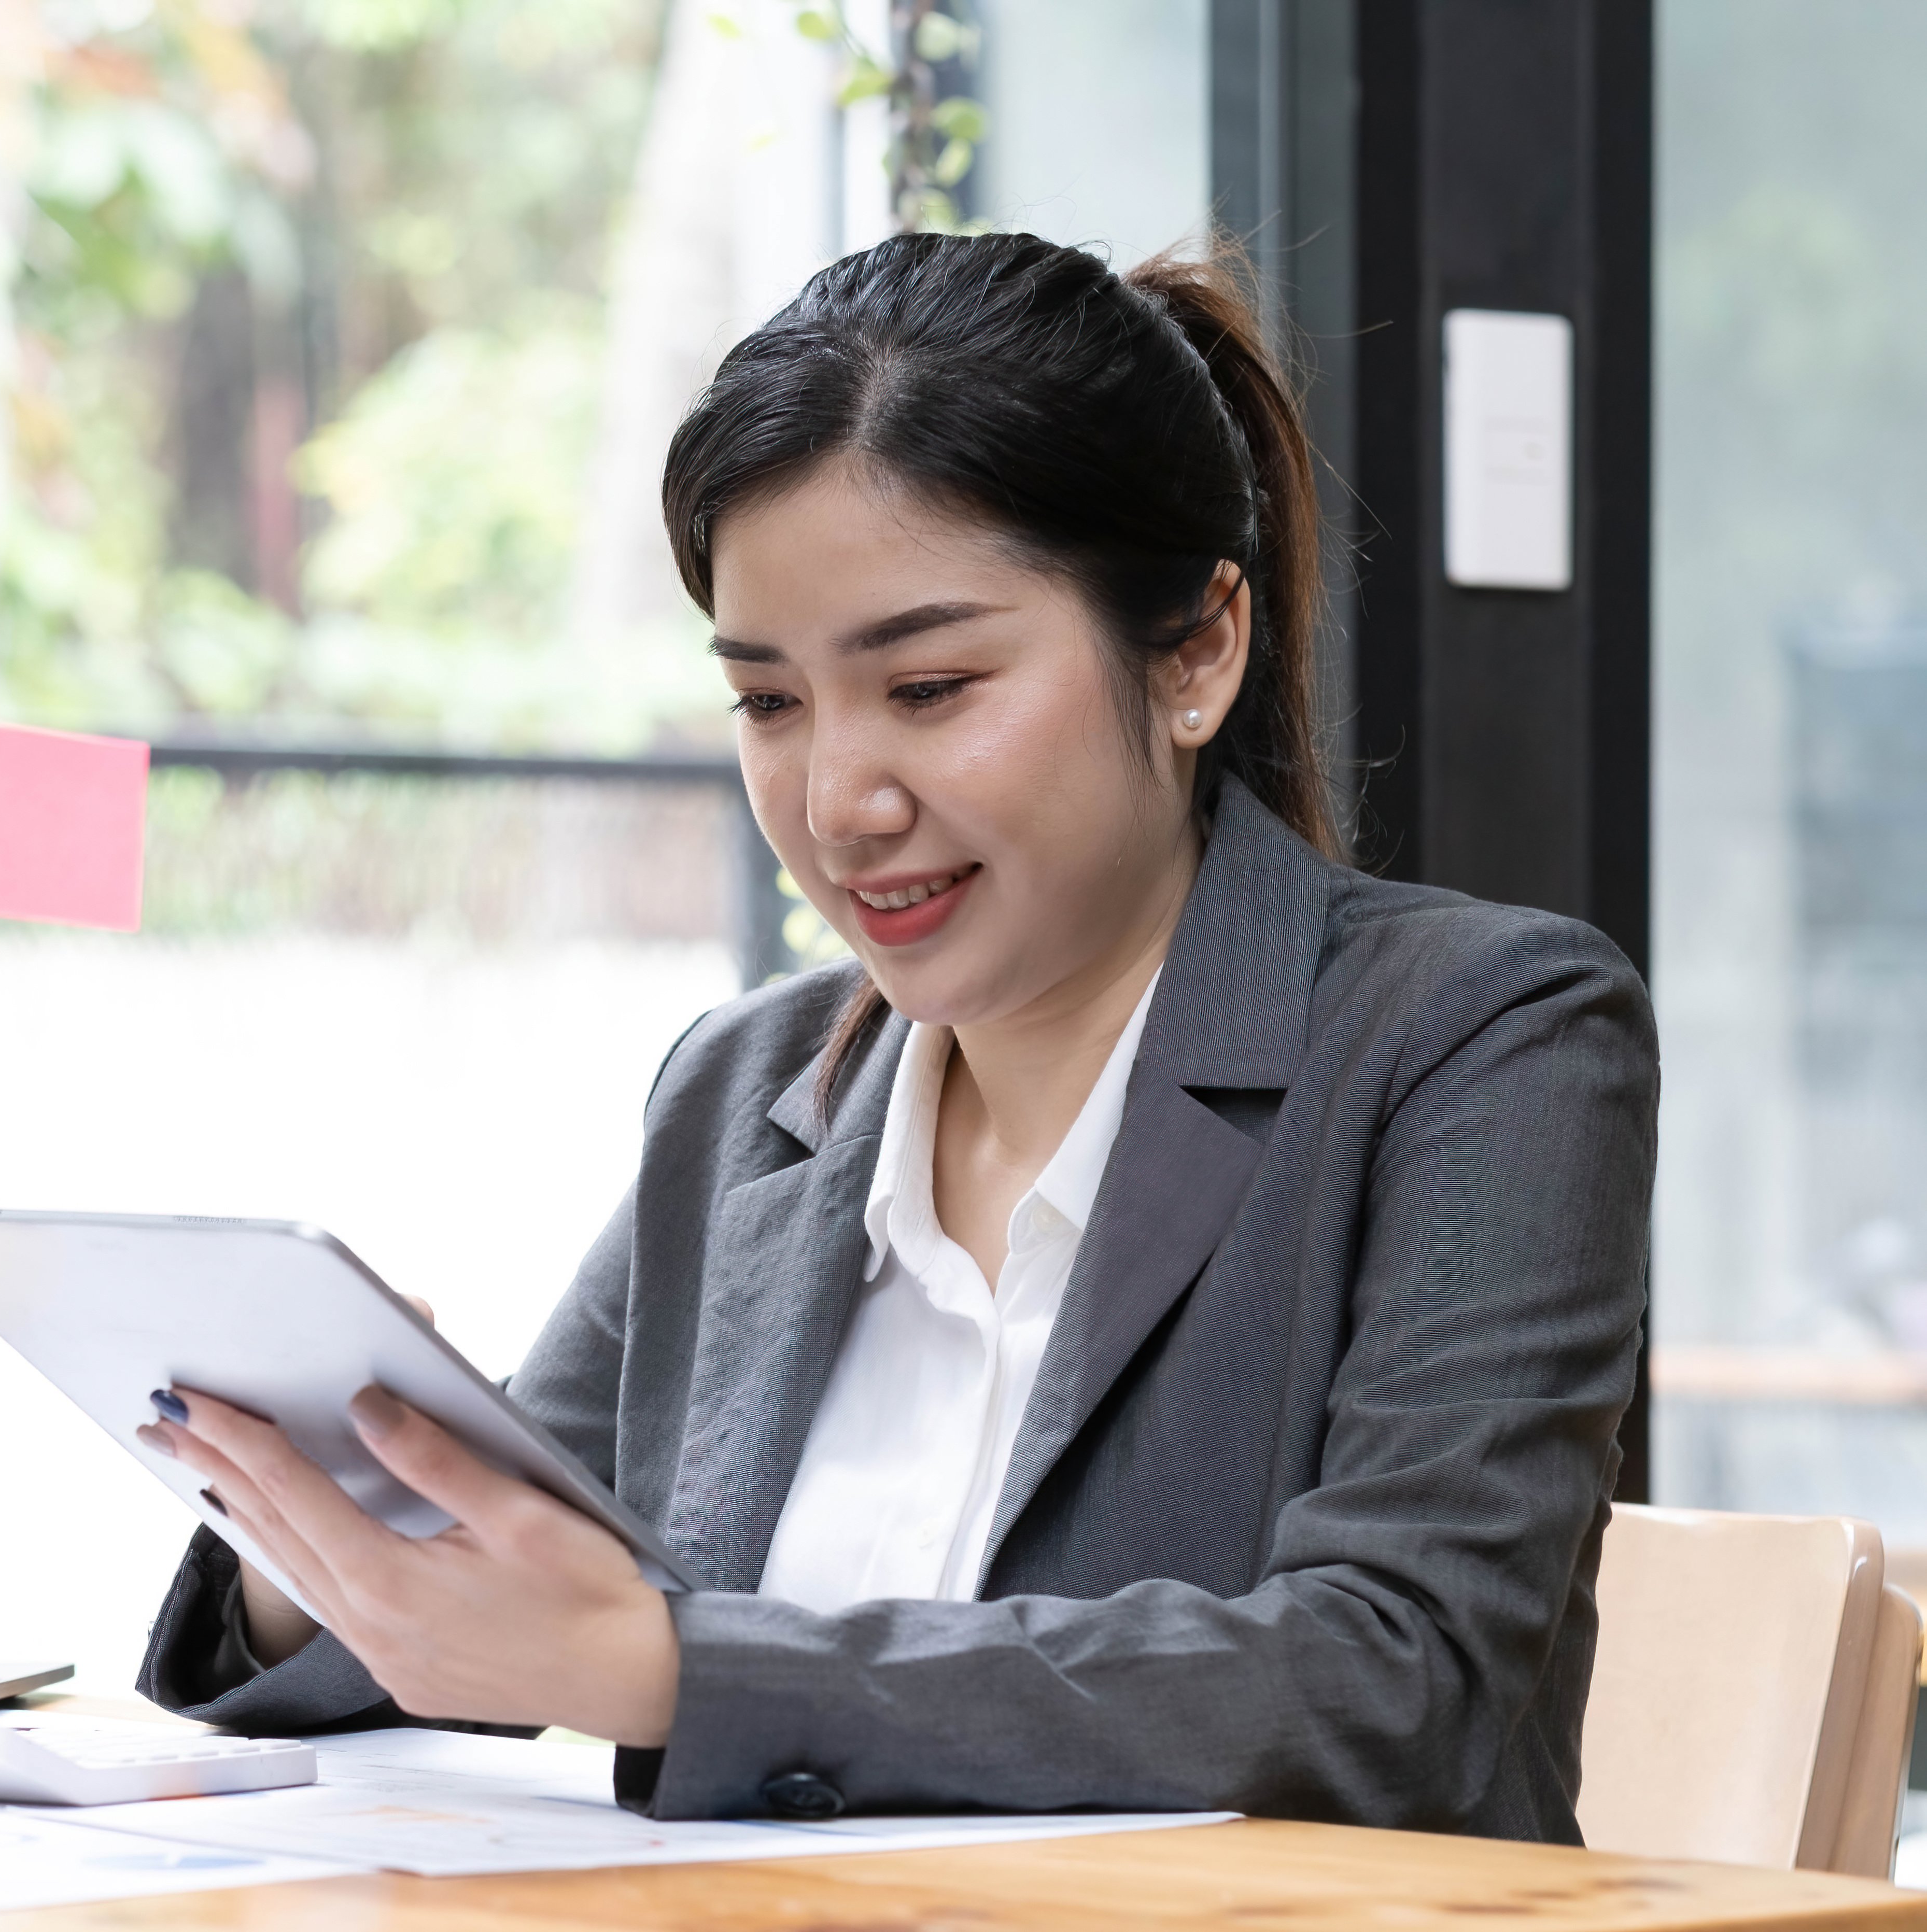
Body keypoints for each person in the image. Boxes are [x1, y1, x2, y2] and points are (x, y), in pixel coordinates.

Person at [131, 229, 1656, 1842]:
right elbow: (511, 1617)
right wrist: (339, 1526)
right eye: (769, 705)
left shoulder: (1482, 1039)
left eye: (927, 687)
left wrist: (671, 1673)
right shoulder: (748, 1096)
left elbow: (1389, 1685)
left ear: (1199, 647)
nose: (837, 803)